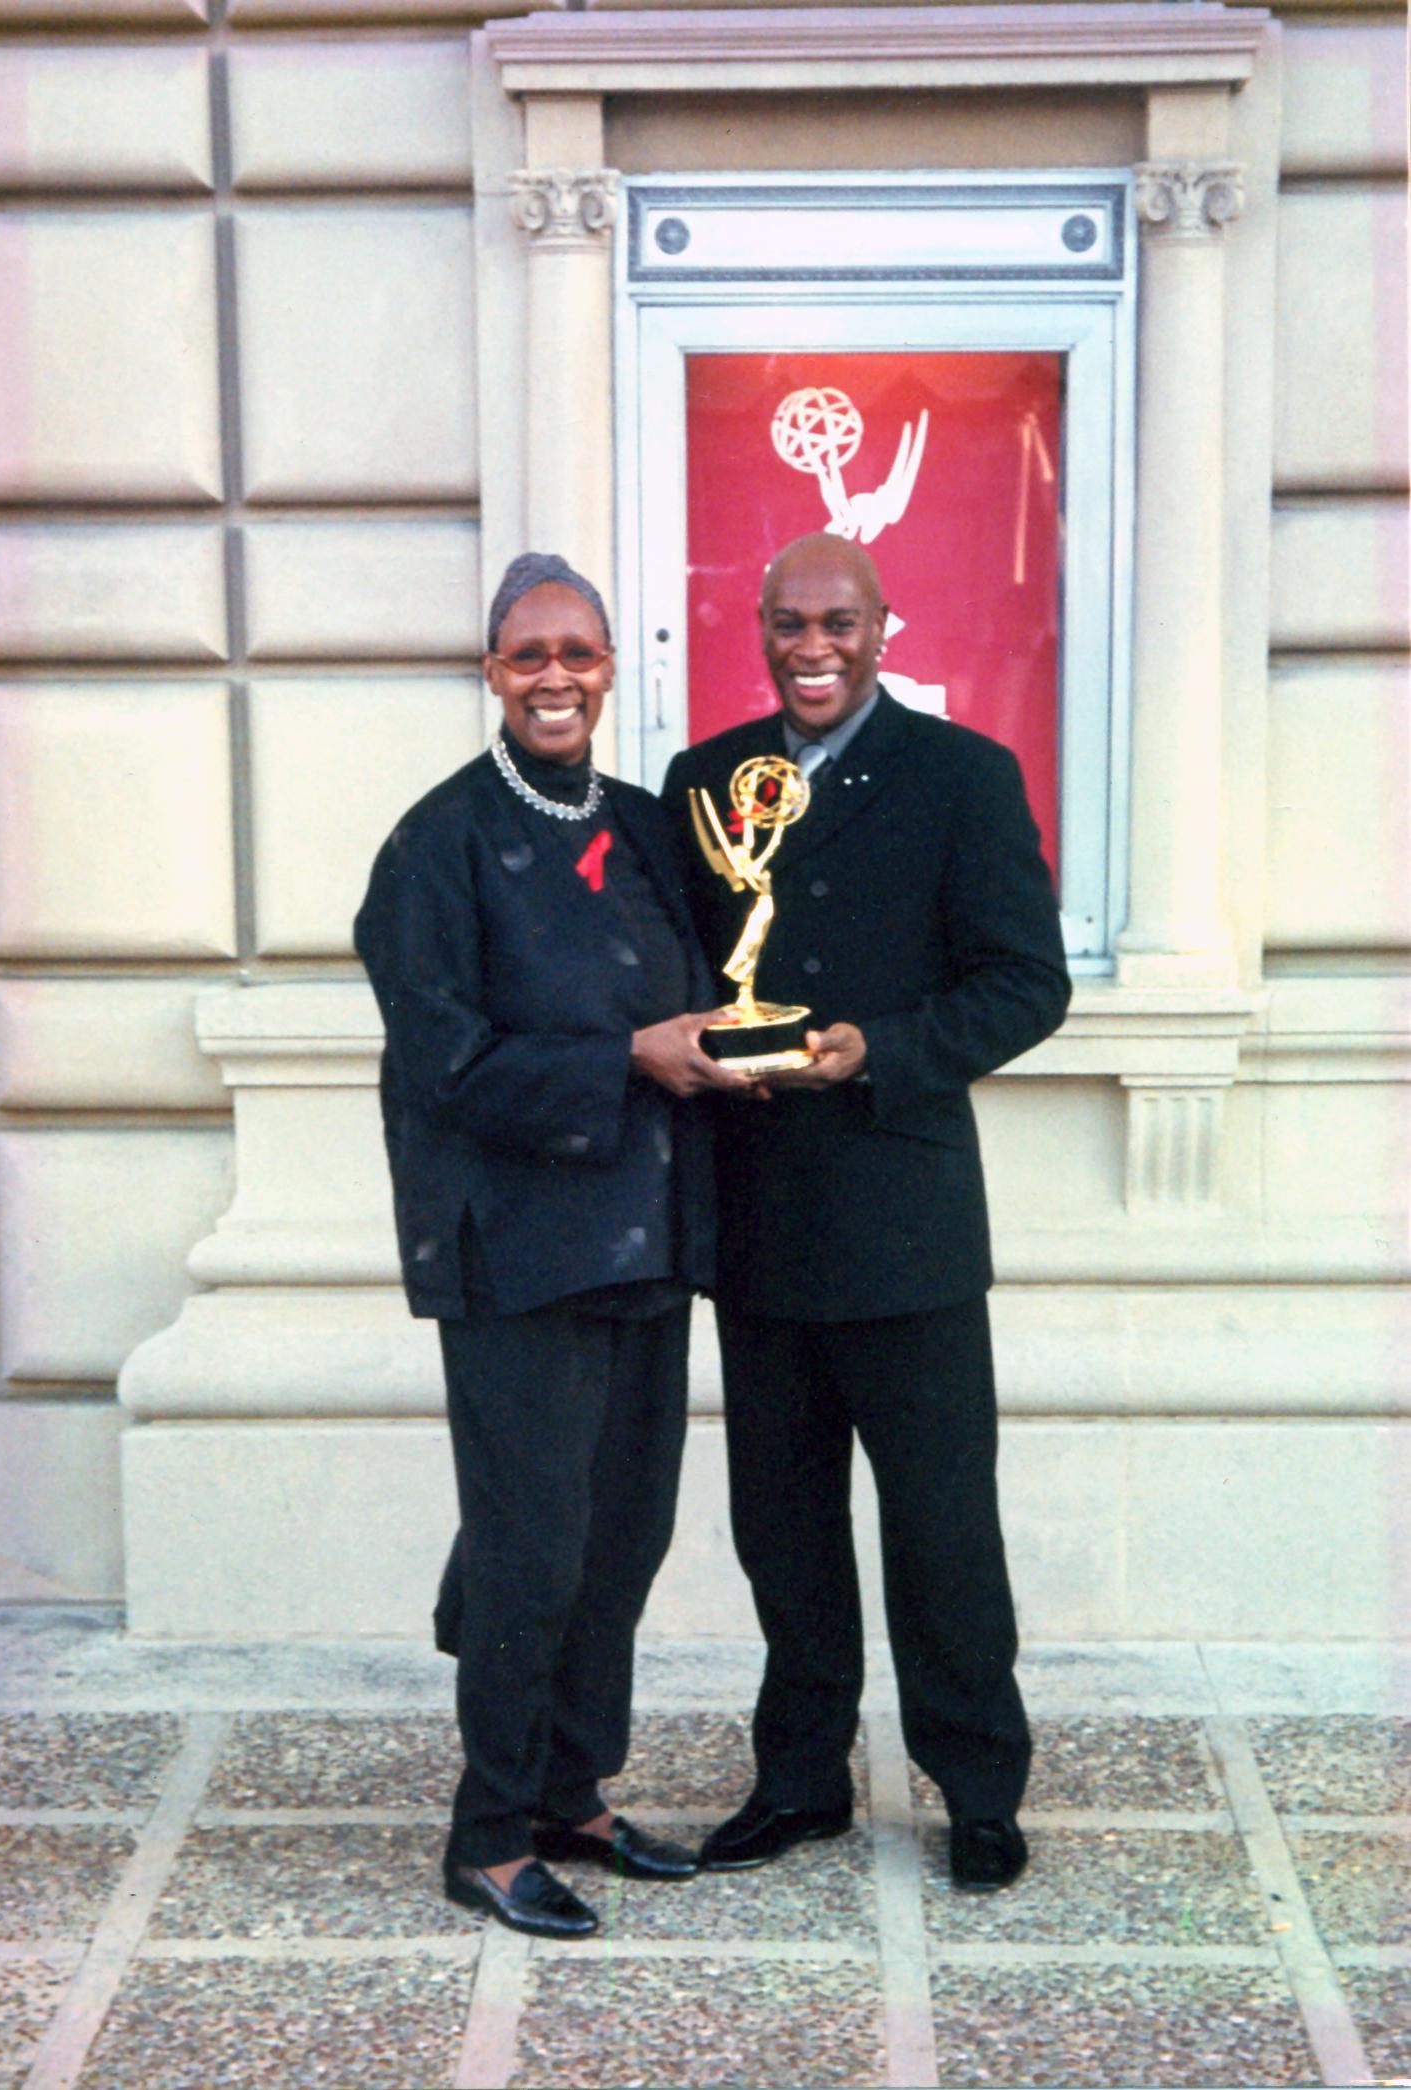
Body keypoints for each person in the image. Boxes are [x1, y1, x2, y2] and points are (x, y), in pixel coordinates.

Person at [662, 532, 1071, 1893]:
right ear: (759, 628)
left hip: (908, 1230)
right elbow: (676, 971)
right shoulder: (707, 783)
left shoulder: (964, 776)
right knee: (782, 1530)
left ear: (884, 627)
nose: (810, 642)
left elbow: (1026, 983)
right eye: (786, 619)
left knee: (945, 1530)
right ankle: (798, 1782)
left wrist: (876, 1045)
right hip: (760, 1224)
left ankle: (981, 1791)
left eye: (837, 618)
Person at [355, 552, 749, 1940]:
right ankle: (487, 1831)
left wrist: (737, 1047)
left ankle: (572, 1790)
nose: (556, 676)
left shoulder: (645, 829)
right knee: (530, 1549)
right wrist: (631, 1055)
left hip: (648, 1235)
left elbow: (704, 989)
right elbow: (446, 1061)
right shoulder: (433, 845)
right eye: (528, 654)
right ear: (491, 672)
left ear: (607, 668)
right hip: (517, 1247)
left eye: (577, 652)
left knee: (623, 1536)